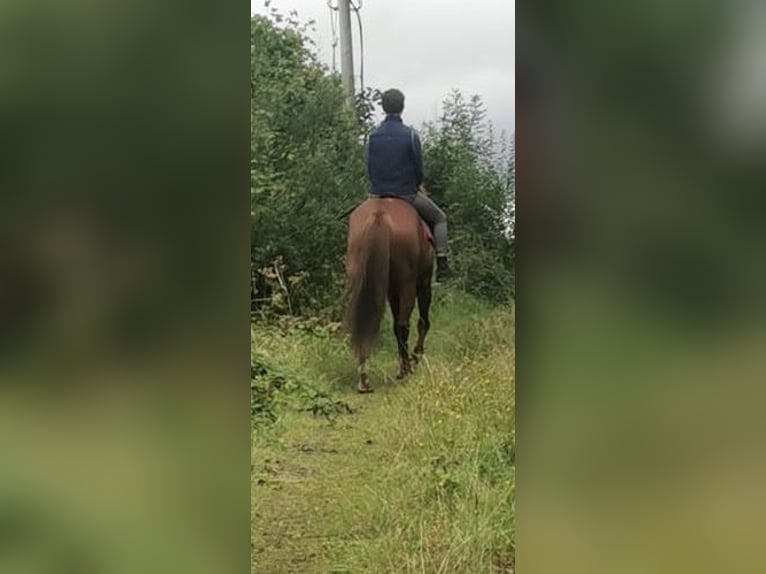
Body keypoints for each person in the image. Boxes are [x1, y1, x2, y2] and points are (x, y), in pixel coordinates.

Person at [366, 88, 452, 281]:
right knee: (439, 218)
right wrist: (417, 184)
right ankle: (443, 262)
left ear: (383, 107)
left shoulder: (372, 136)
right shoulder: (411, 136)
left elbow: (370, 168)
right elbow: (418, 168)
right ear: (402, 107)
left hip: (377, 195)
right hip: (406, 194)